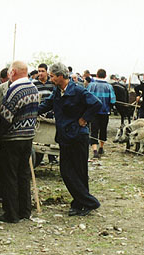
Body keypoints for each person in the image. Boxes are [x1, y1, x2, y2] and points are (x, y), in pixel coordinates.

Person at [38, 62, 102, 217]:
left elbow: (96, 104)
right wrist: (29, 111)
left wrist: (84, 118)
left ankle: (84, 203)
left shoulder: (78, 90)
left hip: (78, 136)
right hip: (64, 136)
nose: (50, 78)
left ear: (61, 76)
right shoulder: (57, 91)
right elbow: (46, 105)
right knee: (66, 171)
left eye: (52, 76)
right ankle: (83, 201)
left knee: (80, 171)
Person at [0, 61, 39, 223]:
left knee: (9, 176)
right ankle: (24, 211)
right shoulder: (33, 88)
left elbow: (5, 117)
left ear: (12, 72)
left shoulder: (14, 90)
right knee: (23, 174)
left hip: (13, 139)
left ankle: (11, 213)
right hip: (28, 138)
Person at [87, 69, 116, 158]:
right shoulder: (109, 86)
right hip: (105, 112)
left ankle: (95, 150)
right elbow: (113, 100)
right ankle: (101, 147)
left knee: (94, 130)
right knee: (103, 130)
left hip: (93, 112)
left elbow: (86, 98)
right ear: (105, 75)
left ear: (97, 75)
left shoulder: (91, 85)